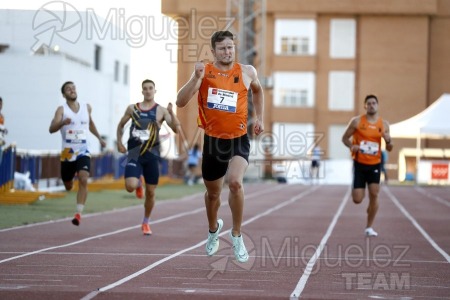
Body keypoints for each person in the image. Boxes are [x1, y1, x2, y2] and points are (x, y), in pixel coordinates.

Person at [176, 30, 265, 263]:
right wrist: (195, 78)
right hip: (214, 142)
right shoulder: (204, 72)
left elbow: (258, 90)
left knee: (235, 183)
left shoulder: (247, 71)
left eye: (231, 47)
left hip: (238, 139)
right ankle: (213, 229)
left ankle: (236, 235)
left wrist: (261, 118)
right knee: (213, 194)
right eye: (223, 48)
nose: (228, 51)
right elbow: (180, 101)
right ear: (214, 51)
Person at [117, 79, 179, 236]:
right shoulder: (132, 108)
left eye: (150, 88)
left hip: (152, 155)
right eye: (145, 88)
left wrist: (171, 113)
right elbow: (120, 125)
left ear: (154, 90)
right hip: (134, 153)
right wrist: (119, 142)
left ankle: (146, 222)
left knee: (151, 193)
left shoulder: (161, 111)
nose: (148, 90)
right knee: (129, 186)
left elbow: (176, 129)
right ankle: (138, 182)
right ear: (142, 91)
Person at [49, 81, 106, 226]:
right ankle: (69, 182)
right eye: (68, 89)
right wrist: (62, 123)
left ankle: (78, 213)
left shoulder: (86, 107)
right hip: (68, 153)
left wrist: (99, 138)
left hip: (83, 150)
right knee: (68, 185)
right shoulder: (61, 110)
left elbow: (90, 124)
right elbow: (51, 128)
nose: (72, 90)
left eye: (73, 88)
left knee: (84, 177)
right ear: (64, 94)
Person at [341, 94, 393, 237]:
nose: (371, 105)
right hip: (359, 164)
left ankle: (369, 227)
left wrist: (388, 141)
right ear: (365, 106)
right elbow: (344, 138)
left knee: (374, 194)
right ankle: (369, 207)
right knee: (357, 199)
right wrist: (352, 146)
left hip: (375, 164)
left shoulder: (384, 125)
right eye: (368, 103)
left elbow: (390, 148)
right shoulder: (356, 122)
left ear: (377, 105)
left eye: (374, 103)